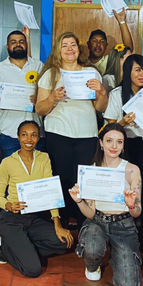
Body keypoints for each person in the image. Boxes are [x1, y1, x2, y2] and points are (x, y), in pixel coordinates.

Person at [36, 32, 108, 226]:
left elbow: (100, 108)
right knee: (61, 178)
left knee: (82, 180)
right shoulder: (50, 74)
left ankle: (84, 220)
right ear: (58, 51)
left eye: (73, 45)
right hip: (58, 132)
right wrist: (52, 98)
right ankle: (61, 221)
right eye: (65, 45)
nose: (69, 49)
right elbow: (39, 109)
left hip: (87, 134)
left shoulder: (91, 73)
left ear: (79, 49)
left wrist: (102, 92)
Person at [68, 123, 143, 286]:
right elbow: (90, 213)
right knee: (93, 249)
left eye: (119, 142)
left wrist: (131, 204)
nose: (114, 146)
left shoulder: (132, 170)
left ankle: (117, 258)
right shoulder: (92, 170)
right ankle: (92, 264)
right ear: (101, 143)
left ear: (123, 145)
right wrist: (79, 201)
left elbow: (137, 212)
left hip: (123, 224)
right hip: (98, 221)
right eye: (109, 141)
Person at [0, 121, 72, 277]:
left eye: (33, 135)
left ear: (38, 138)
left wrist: (57, 224)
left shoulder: (44, 158)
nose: (29, 140)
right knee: (33, 270)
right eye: (24, 135)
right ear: (18, 137)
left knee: (63, 242)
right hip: (12, 219)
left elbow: (50, 192)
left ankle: (20, 248)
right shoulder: (7, 163)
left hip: (34, 218)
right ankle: (5, 248)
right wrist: (8, 205)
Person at [103, 54, 143, 253]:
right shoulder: (117, 94)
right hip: (122, 148)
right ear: (128, 72)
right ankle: (119, 235)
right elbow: (109, 128)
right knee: (123, 190)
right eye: (137, 70)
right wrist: (124, 122)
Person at [0, 30, 46, 158]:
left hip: (35, 133)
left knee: (36, 169)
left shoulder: (39, 66)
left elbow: (46, 97)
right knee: (11, 170)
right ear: (7, 46)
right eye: (13, 42)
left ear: (26, 45)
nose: (18, 44)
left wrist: (39, 99)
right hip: (9, 132)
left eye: (21, 42)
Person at [87, 8, 135, 74]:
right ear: (88, 44)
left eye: (102, 42)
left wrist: (122, 21)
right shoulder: (81, 62)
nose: (98, 44)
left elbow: (128, 49)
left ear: (106, 45)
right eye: (94, 41)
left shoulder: (110, 61)